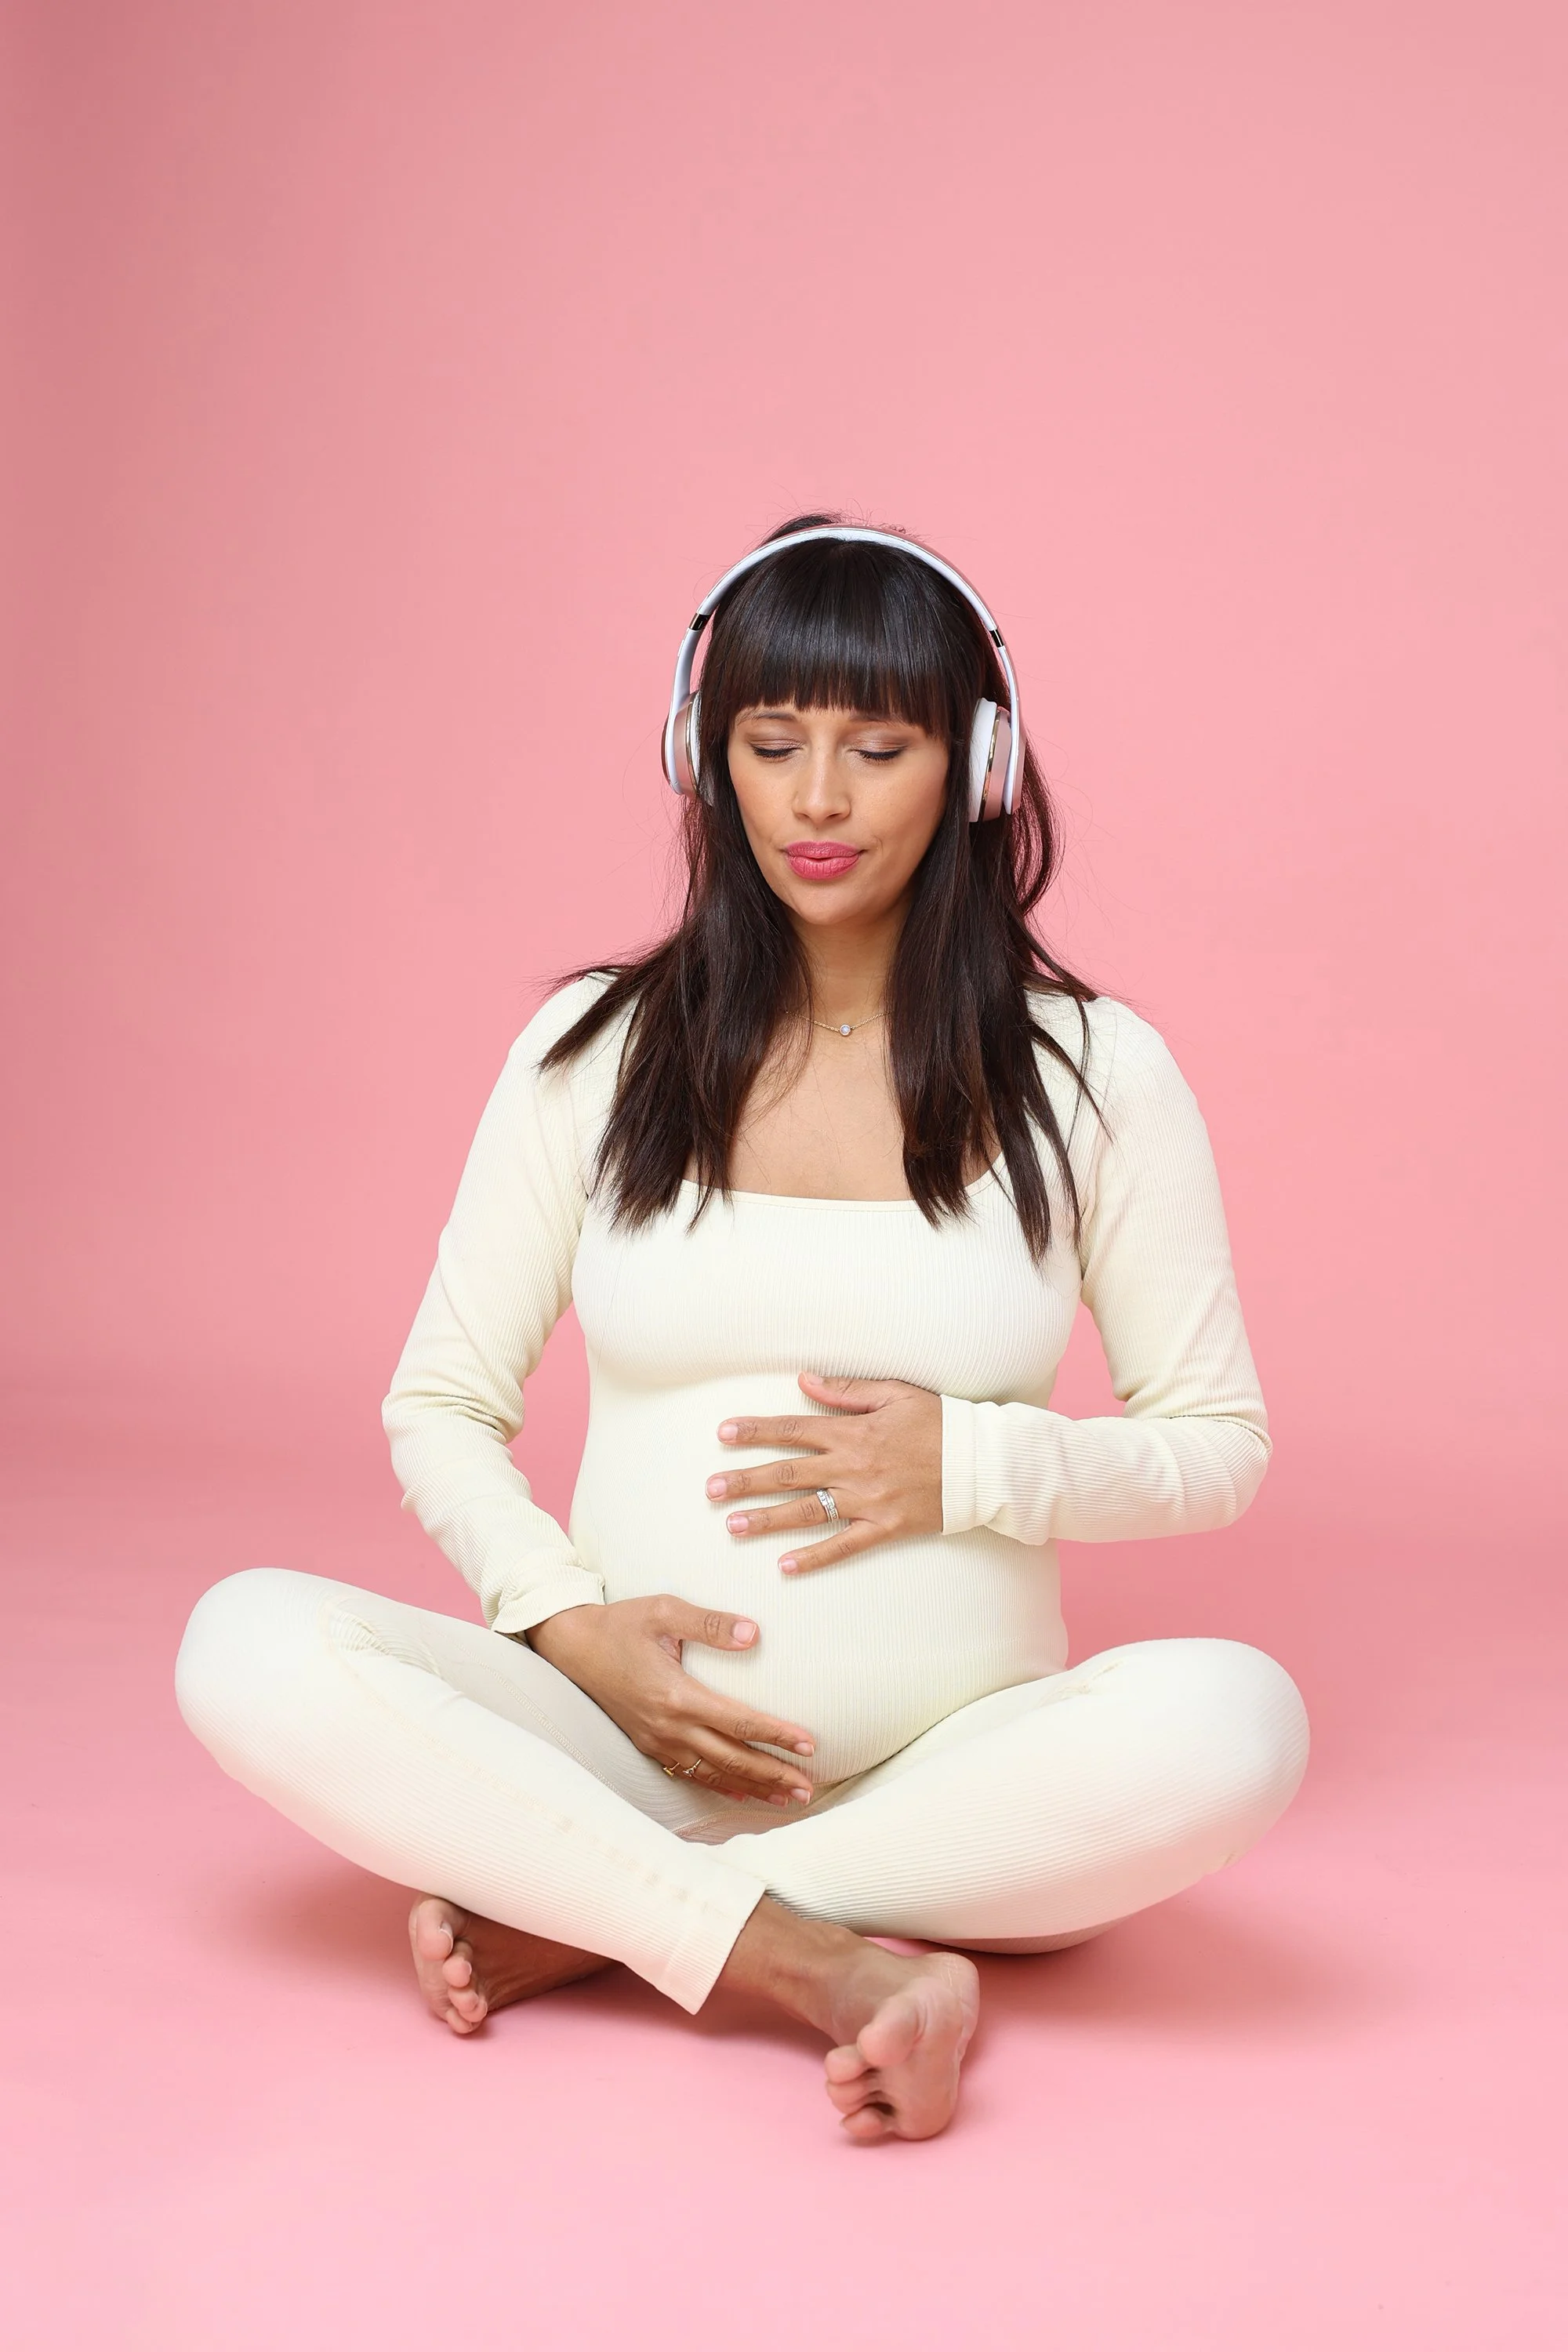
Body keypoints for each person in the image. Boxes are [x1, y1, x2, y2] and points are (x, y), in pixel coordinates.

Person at [176, 515, 1309, 2143]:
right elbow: (441, 1400)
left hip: (955, 1789)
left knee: (1235, 1721)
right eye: (770, 745)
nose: (819, 800)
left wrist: (974, 1462)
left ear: (977, 765)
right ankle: (825, 1965)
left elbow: (1218, 1447)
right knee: (247, 1641)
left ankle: (605, 1914)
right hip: (605, 1744)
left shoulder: (1095, 1072)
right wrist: (565, 1626)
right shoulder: (592, 1048)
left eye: (877, 746)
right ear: (703, 760)